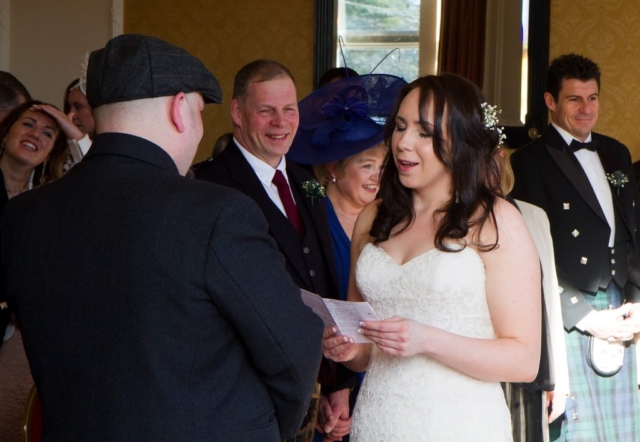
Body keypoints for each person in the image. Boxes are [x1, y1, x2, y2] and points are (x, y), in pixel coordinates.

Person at [0, 34, 324, 441]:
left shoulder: (22, 216)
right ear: (179, 109)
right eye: (199, 111)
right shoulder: (215, 213)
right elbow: (293, 349)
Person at [322, 73, 541, 441]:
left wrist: (427, 340)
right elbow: (365, 351)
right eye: (400, 127)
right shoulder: (372, 217)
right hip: (377, 421)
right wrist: (346, 348)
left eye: (424, 133)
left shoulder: (495, 220)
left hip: (459, 425)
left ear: (460, 140)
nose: (403, 143)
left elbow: (524, 361)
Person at [193, 59, 354, 442]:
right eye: (266, 111)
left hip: (317, 382)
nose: (281, 122)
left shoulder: (305, 179)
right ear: (238, 113)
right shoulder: (206, 186)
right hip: (248, 395)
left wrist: (336, 384)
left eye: (289, 109)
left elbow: (324, 275)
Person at [511, 53, 640, 441]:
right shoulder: (529, 162)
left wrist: (636, 302)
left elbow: (632, 232)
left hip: (621, 304)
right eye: (574, 99)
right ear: (550, 101)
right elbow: (531, 253)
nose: (586, 109)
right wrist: (585, 317)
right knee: (578, 431)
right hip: (570, 310)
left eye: (592, 98)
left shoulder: (616, 152)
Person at [287, 73, 406, 441]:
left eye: (383, 167)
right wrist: (329, 385)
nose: (377, 177)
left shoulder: (392, 219)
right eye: (366, 165)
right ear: (335, 169)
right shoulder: (310, 221)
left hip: (387, 367)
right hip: (326, 372)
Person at [0, 100, 70, 440]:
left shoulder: (47, 202)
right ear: (6, 133)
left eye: (48, 133)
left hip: (21, 337)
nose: (35, 135)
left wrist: (72, 132)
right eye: (28, 124)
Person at [496, 148, 570, 442]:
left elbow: (549, 296)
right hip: (479, 366)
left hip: (531, 371)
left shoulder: (534, 216)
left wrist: (559, 377)